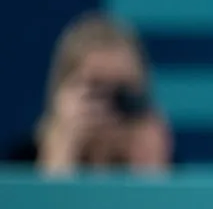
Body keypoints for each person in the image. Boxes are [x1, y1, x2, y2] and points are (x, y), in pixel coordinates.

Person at [6, 11, 172, 174]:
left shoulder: (165, 167)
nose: (109, 104)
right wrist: (60, 156)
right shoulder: (19, 165)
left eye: (122, 91)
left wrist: (150, 167)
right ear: (62, 92)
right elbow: (44, 201)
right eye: (95, 89)